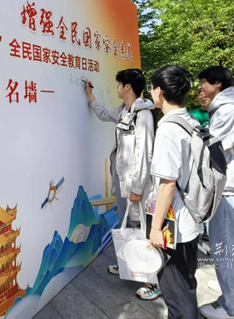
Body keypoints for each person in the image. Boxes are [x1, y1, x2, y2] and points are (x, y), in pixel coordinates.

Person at [84, 69, 159, 300]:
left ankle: (152, 280)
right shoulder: (124, 111)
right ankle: (129, 264)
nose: (117, 88)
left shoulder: (143, 115)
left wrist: (137, 188)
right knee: (127, 225)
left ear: (127, 87)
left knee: (141, 228)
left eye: (119, 84)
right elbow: (104, 114)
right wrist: (90, 95)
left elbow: (145, 154)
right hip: (121, 179)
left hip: (136, 184)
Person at [197, 66, 234, 319]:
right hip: (230, 186)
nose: (200, 87)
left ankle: (233, 309)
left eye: (203, 82)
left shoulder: (228, 111)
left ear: (217, 84)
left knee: (226, 247)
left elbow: (212, 149)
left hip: (227, 188)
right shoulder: (229, 108)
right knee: (232, 246)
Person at [148, 65, 202, 319]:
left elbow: (167, 184)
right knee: (186, 282)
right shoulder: (191, 121)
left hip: (175, 224)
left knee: (176, 290)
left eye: (151, 88)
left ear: (159, 91)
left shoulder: (168, 129)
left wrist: (155, 227)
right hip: (192, 216)